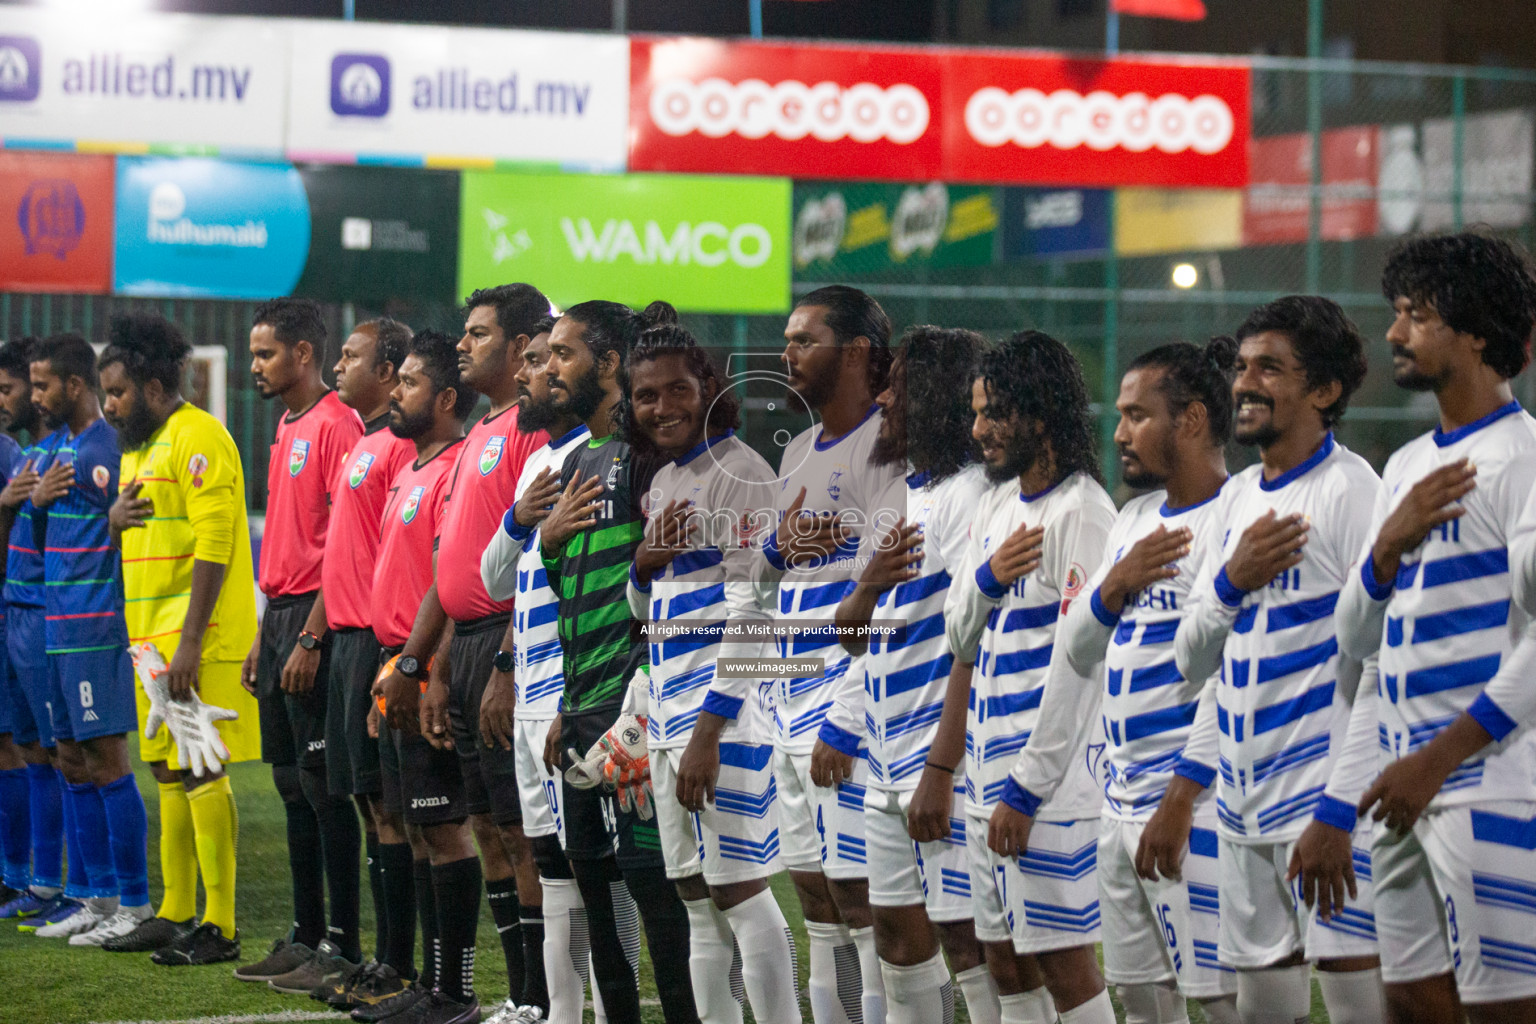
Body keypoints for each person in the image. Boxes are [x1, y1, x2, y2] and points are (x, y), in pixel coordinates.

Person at [1328, 233, 1536, 1024]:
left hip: (1490, 784)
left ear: (1477, 332)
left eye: (1416, 315)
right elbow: (1358, 640)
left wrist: (1436, 762)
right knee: (1412, 1000)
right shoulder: (1410, 466)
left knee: (1506, 1009)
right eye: (1396, 313)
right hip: (1400, 787)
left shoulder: (1521, 459)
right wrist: (1386, 546)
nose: (1394, 333)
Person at [1171, 296, 1385, 1024]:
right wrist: (1232, 581)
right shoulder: (1232, 499)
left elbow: (1381, 666)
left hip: (1322, 808)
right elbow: (1191, 655)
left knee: (1361, 1003)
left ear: (1324, 391)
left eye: (1271, 368)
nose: (1244, 382)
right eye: (1240, 366)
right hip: (1239, 808)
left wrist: (1339, 808)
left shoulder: (1353, 491)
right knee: (1266, 1010)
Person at [376, 284, 553, 1023]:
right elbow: (453, 562)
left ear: (517, 349)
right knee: (487, 828)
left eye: (478, 335)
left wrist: (508, 665)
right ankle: (511, 995)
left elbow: (538, 555)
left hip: (509, 641)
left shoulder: (531, 434)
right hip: (466, 644)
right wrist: (433, 664)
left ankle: (544, 998)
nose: (462, 345)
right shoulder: (483, 430)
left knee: (520, 831)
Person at [1055, 340, 1241, 1024]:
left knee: (1221, 1004)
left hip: (1198, 809)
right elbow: (1077, 645)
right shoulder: (1133, 519)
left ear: (1189, 421)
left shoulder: (1235, 513)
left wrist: (1181, 799)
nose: (1119, 433)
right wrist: (1118, 584)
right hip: (1122, 804)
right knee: (1141, 1004)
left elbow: (1236, 672)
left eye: (1136, 416)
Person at [622, 321, 802, 1024]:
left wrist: (706, 733)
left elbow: (756, 618)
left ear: (709, 392)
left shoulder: (743, 474)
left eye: (677, 390)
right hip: (672, 726)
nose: (661, 407)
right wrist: (643, 563)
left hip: (723, 724)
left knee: (740, 893)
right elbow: (649, 613)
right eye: (645, 395)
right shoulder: (666, 478)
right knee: (696, 899)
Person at [826, 327, 999, 1024]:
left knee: (968, 940)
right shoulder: (896, 493)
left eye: (899, 384)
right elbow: (854, 637)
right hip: (883, 758)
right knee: (896, 936)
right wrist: (866, 586)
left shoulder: (969, 496)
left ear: (934, 395)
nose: (886, 397)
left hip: (938, 760)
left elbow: (975, 641)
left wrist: (944, 763)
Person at [945, 330, 1117, 1024]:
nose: (979, 429)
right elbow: (959, 632)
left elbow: (1083, 667)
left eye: (995, 413)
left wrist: (1028, 786)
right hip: (989, 784)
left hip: (1048, 789)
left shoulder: (1084, 512)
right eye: (977, 412)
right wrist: (988, 577)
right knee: (1007, 963)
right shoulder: (996, 503)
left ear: (1040, 415)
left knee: (1065, 967)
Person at [538, 299, 697, 1024]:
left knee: (656, 887)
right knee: (596, 889)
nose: (548, 367)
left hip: (630, 715)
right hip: (581, 713)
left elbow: (661, 591)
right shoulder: (580, 465)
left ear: (608, 365)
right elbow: (572, 588)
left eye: (564, 353)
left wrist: (638, 700)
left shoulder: (645, 461)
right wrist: (545, 545)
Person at [97, 313, 260, 960]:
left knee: (200, 768)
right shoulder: (139, 447)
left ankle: (219, 924)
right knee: (165, 769)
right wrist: (112, 521)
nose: (109, 406)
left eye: (118, 392)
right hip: (150, 644)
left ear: (156, 386)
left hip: (195, 641)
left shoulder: (200, 437)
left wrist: (190, 644)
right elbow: (146, 538)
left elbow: (218, 543)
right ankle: (173, 910)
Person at [758, 285, 901, 1024]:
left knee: (865, 898)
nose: (787, 355)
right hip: (788, 705)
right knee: (814, 892)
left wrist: (847, 717)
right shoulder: (804, 448)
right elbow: (774, 571)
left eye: (803, 341)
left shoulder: (888, 448)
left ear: (854, 353)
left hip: (844, 711)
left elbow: (890, 595)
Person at [268, 318, 417, 1003]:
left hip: (362, 637)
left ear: (387, 373)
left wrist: (314, 634)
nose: (338, 368)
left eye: (352, 357)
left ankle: (383, 959)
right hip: (346, 636)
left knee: (391, 810)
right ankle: (358, 954)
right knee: (360, 803)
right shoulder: (369, 440)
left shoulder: (380, 445)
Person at [480, 317, 621, 1024]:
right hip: (534, 694)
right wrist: (518, 520)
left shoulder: (605, 460)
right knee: (552, 866)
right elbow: (493, 576)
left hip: (578, 694)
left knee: (601, 875)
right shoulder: (539, 467)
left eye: (547, 360)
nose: (532, 376)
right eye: (534, 361)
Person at [236, 298, 366, 983]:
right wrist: (266, 633)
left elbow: (340, 548)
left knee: (322, 788)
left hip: (318, 622)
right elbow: (289, 546)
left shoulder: (338, 427)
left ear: (304, 354)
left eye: (264, 354)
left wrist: (310, 638)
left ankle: (340, 946)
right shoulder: (288, 426)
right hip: (282, 615)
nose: (253, 365)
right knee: (290, 784)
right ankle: (304, 934)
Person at [368, 329, 480, 1024]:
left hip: (427, 668)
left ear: (443, 397)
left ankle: (457, 992)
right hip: (395, 665)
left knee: (446, 831)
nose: (394, 393)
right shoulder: (411, 468)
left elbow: (450, 581)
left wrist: (420, 669)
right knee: (413, 829)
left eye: (408, 383)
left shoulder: (453, 469)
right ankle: (430, 985)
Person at [0, 336, 75, 930]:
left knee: (61, 752)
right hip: (16, 612)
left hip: (49, 617)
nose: (8, 399)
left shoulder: (64, 452)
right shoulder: (29, 456)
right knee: (26, 748)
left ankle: (74, 884)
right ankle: (27, 875)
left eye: (13, 388)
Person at [0, 338, 36, 912]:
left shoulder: (13, 454)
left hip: (16, 612)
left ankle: (20, 872)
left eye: (7, 389)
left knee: (13, 744)